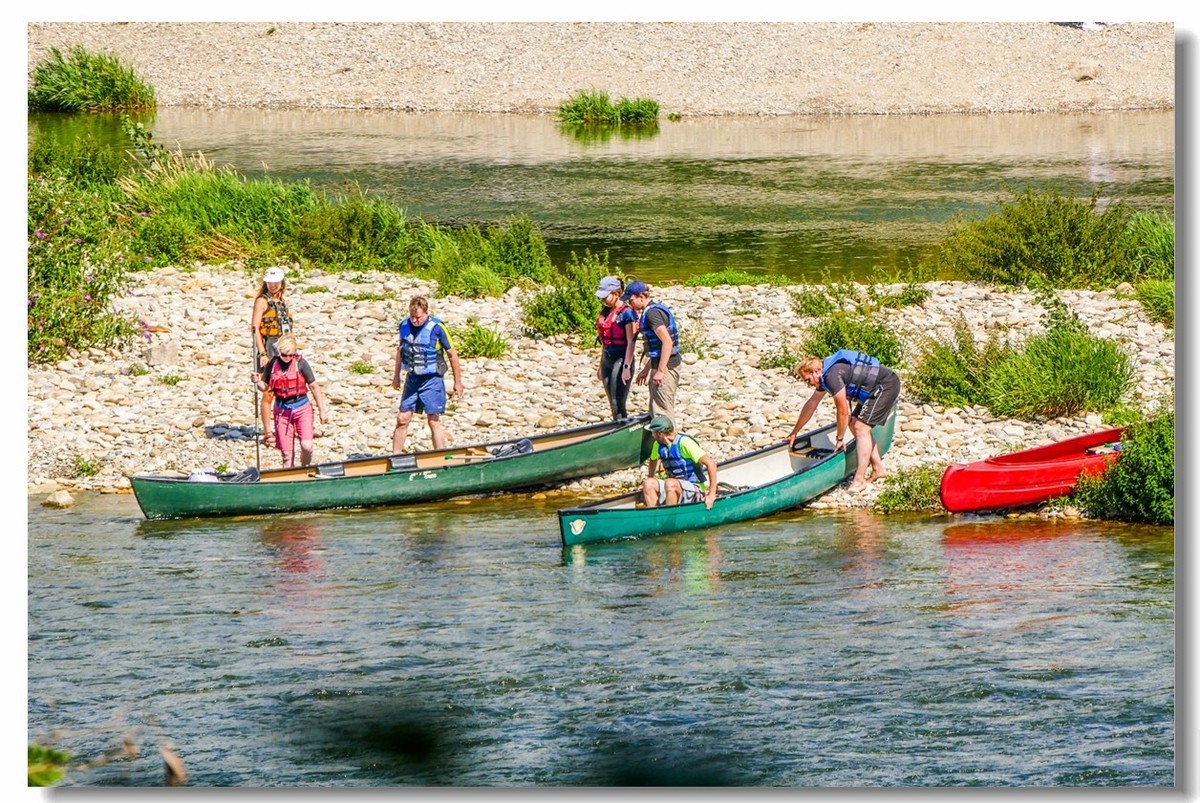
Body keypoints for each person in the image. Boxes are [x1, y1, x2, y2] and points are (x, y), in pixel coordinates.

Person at [786, 349, 901, 493]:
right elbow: (811, 404)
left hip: (886, 385)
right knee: (854, 424)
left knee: (861, 427)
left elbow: (842, 410)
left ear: (816, 371)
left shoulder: (831, 376)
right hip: (873, 389)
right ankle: (878, 469)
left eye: (808, 380)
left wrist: (840, 438)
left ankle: (859, 480)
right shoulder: (824, 378)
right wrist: (795, 432)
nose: (808, 384)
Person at [392, 295, 464, 453]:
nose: (415, 321)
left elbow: (452, 355)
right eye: (413, 317)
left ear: (426, 313)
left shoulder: (437, 327)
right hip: (412, 379)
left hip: (432, 379)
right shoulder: (404, 325)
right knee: (402, 418)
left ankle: (441, 455)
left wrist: (457, 382)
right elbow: (400, 351)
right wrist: (396, 376)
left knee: (433, 420)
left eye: (418, 317)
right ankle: (395, 458)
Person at [254, 334, 329, 468]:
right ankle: (289, 477)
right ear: (279, 352)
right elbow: (265, 387)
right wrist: (257, 381)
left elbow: (313, 386)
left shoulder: (301, 363)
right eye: (284, 355)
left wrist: (322, 411)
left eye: (290, 355)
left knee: (307, 446)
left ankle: (304, 469)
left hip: (302, 407)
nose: (287, 358)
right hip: (282, 411)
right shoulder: (273, 363)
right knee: (287, 456)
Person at [622, 279, 682, 422]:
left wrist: (660, 371)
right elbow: (657, 349)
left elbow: (667, 342)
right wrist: (647, 369)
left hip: (667, 367)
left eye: (631, 300)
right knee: (656, 405)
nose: (630, 305)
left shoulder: (652, 314)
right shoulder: (652, 310)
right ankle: (659, 439)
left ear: (641, 297)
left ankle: (669, 442)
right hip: (661, 363)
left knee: (662, 409)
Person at [251, 266, 293, 446]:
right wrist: (262, 352)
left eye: (276, 282)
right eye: (270, 283)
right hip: (269, 346)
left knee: (287, 387)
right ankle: (268, 432)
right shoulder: (262, 301)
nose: (273, 286)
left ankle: (286, 427)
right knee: (267, 390)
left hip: (285, 346)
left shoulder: (282, 301)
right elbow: (255, 329)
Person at [641, 414, 718, 509]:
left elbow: (711, 464)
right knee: (648, 483)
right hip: (673, 486)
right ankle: (656, 517)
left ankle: (670, 517)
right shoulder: (658, 445)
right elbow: (653, 461)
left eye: (653, 433)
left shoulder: (684, 443)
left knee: (670, 483)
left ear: (660, 434)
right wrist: (651, 477)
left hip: (693, 487)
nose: (652, 435)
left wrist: (711, 494)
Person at [594, 275, 639, 420]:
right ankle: (616, 423)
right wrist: (601, 365)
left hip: (621, 359)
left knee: (617, 400)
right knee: (611, 400)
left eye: (606, 296)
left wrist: (627, 367)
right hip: (608, 359)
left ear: (617, 293)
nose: (603, 300)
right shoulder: (606, 312)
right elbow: (604, 342)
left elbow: (631, 341)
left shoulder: (627, 313)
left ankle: (622, 426)